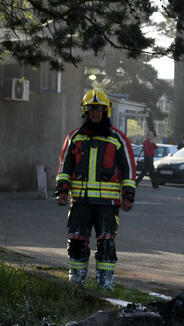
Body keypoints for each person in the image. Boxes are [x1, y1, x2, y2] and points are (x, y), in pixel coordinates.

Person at [55, 89, 136, 291]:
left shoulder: (118, 139)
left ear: (106, 111)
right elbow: (64, 167)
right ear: (85, 111)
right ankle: (77, 282)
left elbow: (129, 170)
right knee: (76, 241)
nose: (96, 113)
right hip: (80, 203)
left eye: (99, 110)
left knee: (107, 244)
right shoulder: (74, 137)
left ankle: (105, 284)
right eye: (92, 110)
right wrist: (62, 191)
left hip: (107, 205)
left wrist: (128, 195)